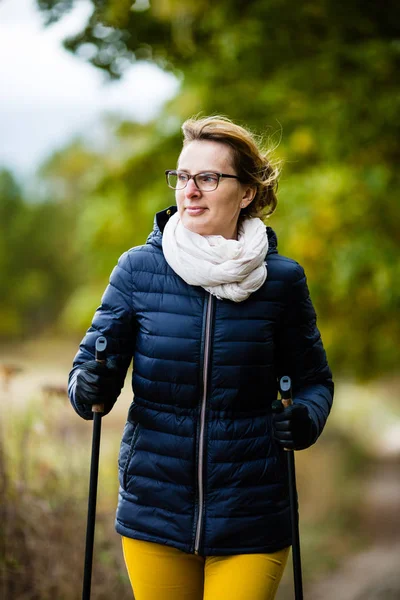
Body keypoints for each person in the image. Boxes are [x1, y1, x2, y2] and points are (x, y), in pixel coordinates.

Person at [68, 115, 334, 600]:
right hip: (155, 509)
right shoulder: (138, 270)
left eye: (208, 178)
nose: (190, 190)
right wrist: (88, 387)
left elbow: (315, 382)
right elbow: (88, 372)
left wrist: (306, 419)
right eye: (182, 177)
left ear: (247, 192)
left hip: (253, 514)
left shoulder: (282, 282)